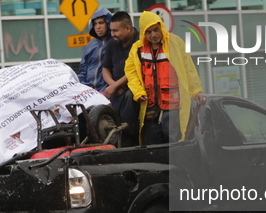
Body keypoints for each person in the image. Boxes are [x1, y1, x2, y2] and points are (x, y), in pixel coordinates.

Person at [125, 10, 207, 145]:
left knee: (174, 143)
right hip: (150, 107)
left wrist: (196, 91)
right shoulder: (137, 48)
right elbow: (131, 72)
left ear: (161, 27)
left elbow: (188, 69)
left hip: (173, 105)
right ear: (143, 33)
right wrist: (138, 92)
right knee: (153, 144)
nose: (153, 35)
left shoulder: (175, 43)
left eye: (155, 30)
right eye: (148, 32)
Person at [102, 11, 140, 147]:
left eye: (115, 31)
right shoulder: (112, 43)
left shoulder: (140, 42)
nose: (112, 34)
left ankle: (128, 143)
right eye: (111, 30)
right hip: (116, 91)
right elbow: (105, 68)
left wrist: (116, 85)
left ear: (128, 28)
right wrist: (113, 85)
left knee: (129, 104)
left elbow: (136, 69)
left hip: (134, 90)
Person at [77, 8, 112, 92]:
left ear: (108, 23)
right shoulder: (90, 45)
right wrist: (82, 88)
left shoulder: (115, 43)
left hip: (108, 91)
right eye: (95, 24)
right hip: (89, 92)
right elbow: (83, 70)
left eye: (101, 23)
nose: (98, 27)